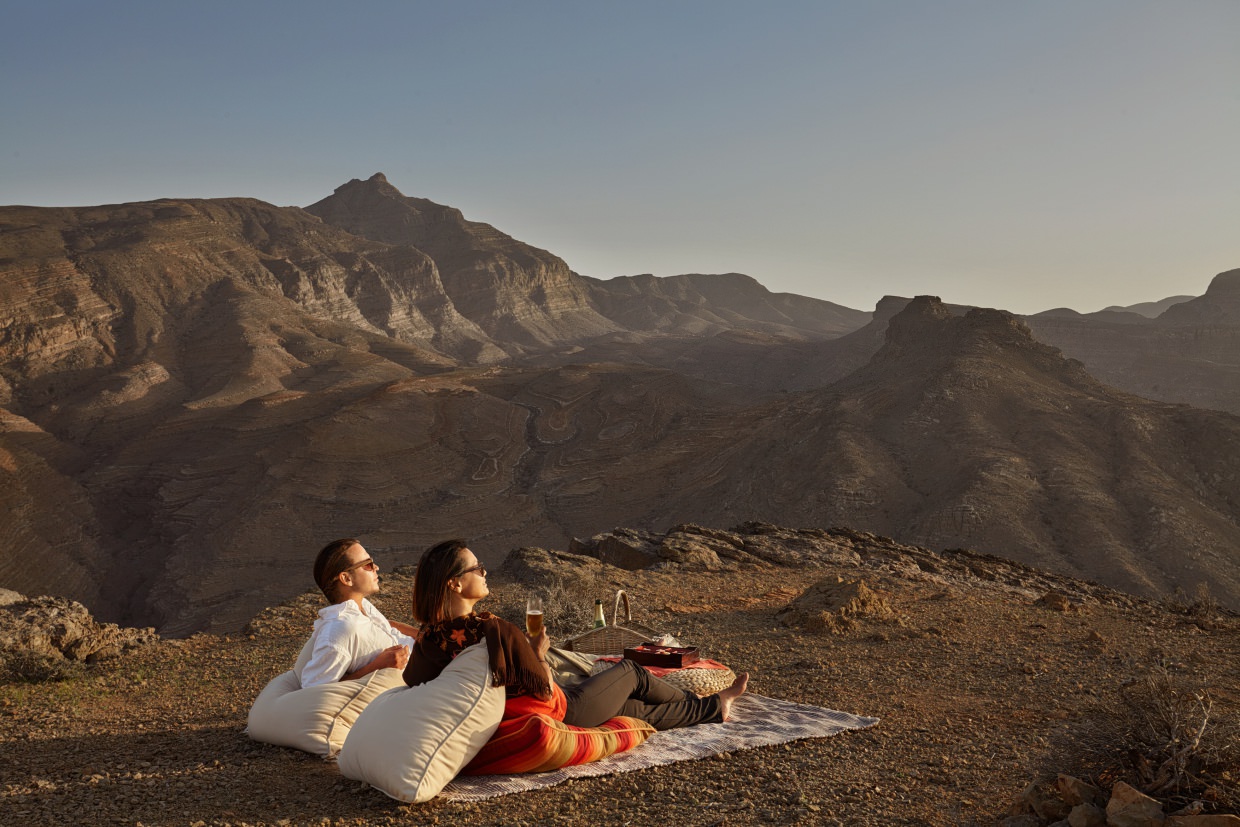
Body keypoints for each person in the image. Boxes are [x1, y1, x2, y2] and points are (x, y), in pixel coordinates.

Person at [402, 538, 748, 730]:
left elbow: (416, 682)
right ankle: (709, 704)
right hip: (557, 710)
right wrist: (537, 652)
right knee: (632, 672)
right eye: (477, 568)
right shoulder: (489, 629)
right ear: (456, 583)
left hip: (514, 713)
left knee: (633, 710)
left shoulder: (431, 636)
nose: (485, 572)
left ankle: (714, 707)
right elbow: (539, 684)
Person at [296, 538, 418, 689]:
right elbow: (313, 689)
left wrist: (421, 635)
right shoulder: (341, 628)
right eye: (368, 565)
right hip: (426, 681)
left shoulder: (361, 606)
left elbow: (389, 626)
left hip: (431, 655)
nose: (376, 567)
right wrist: (377, 667)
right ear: (346, 579)